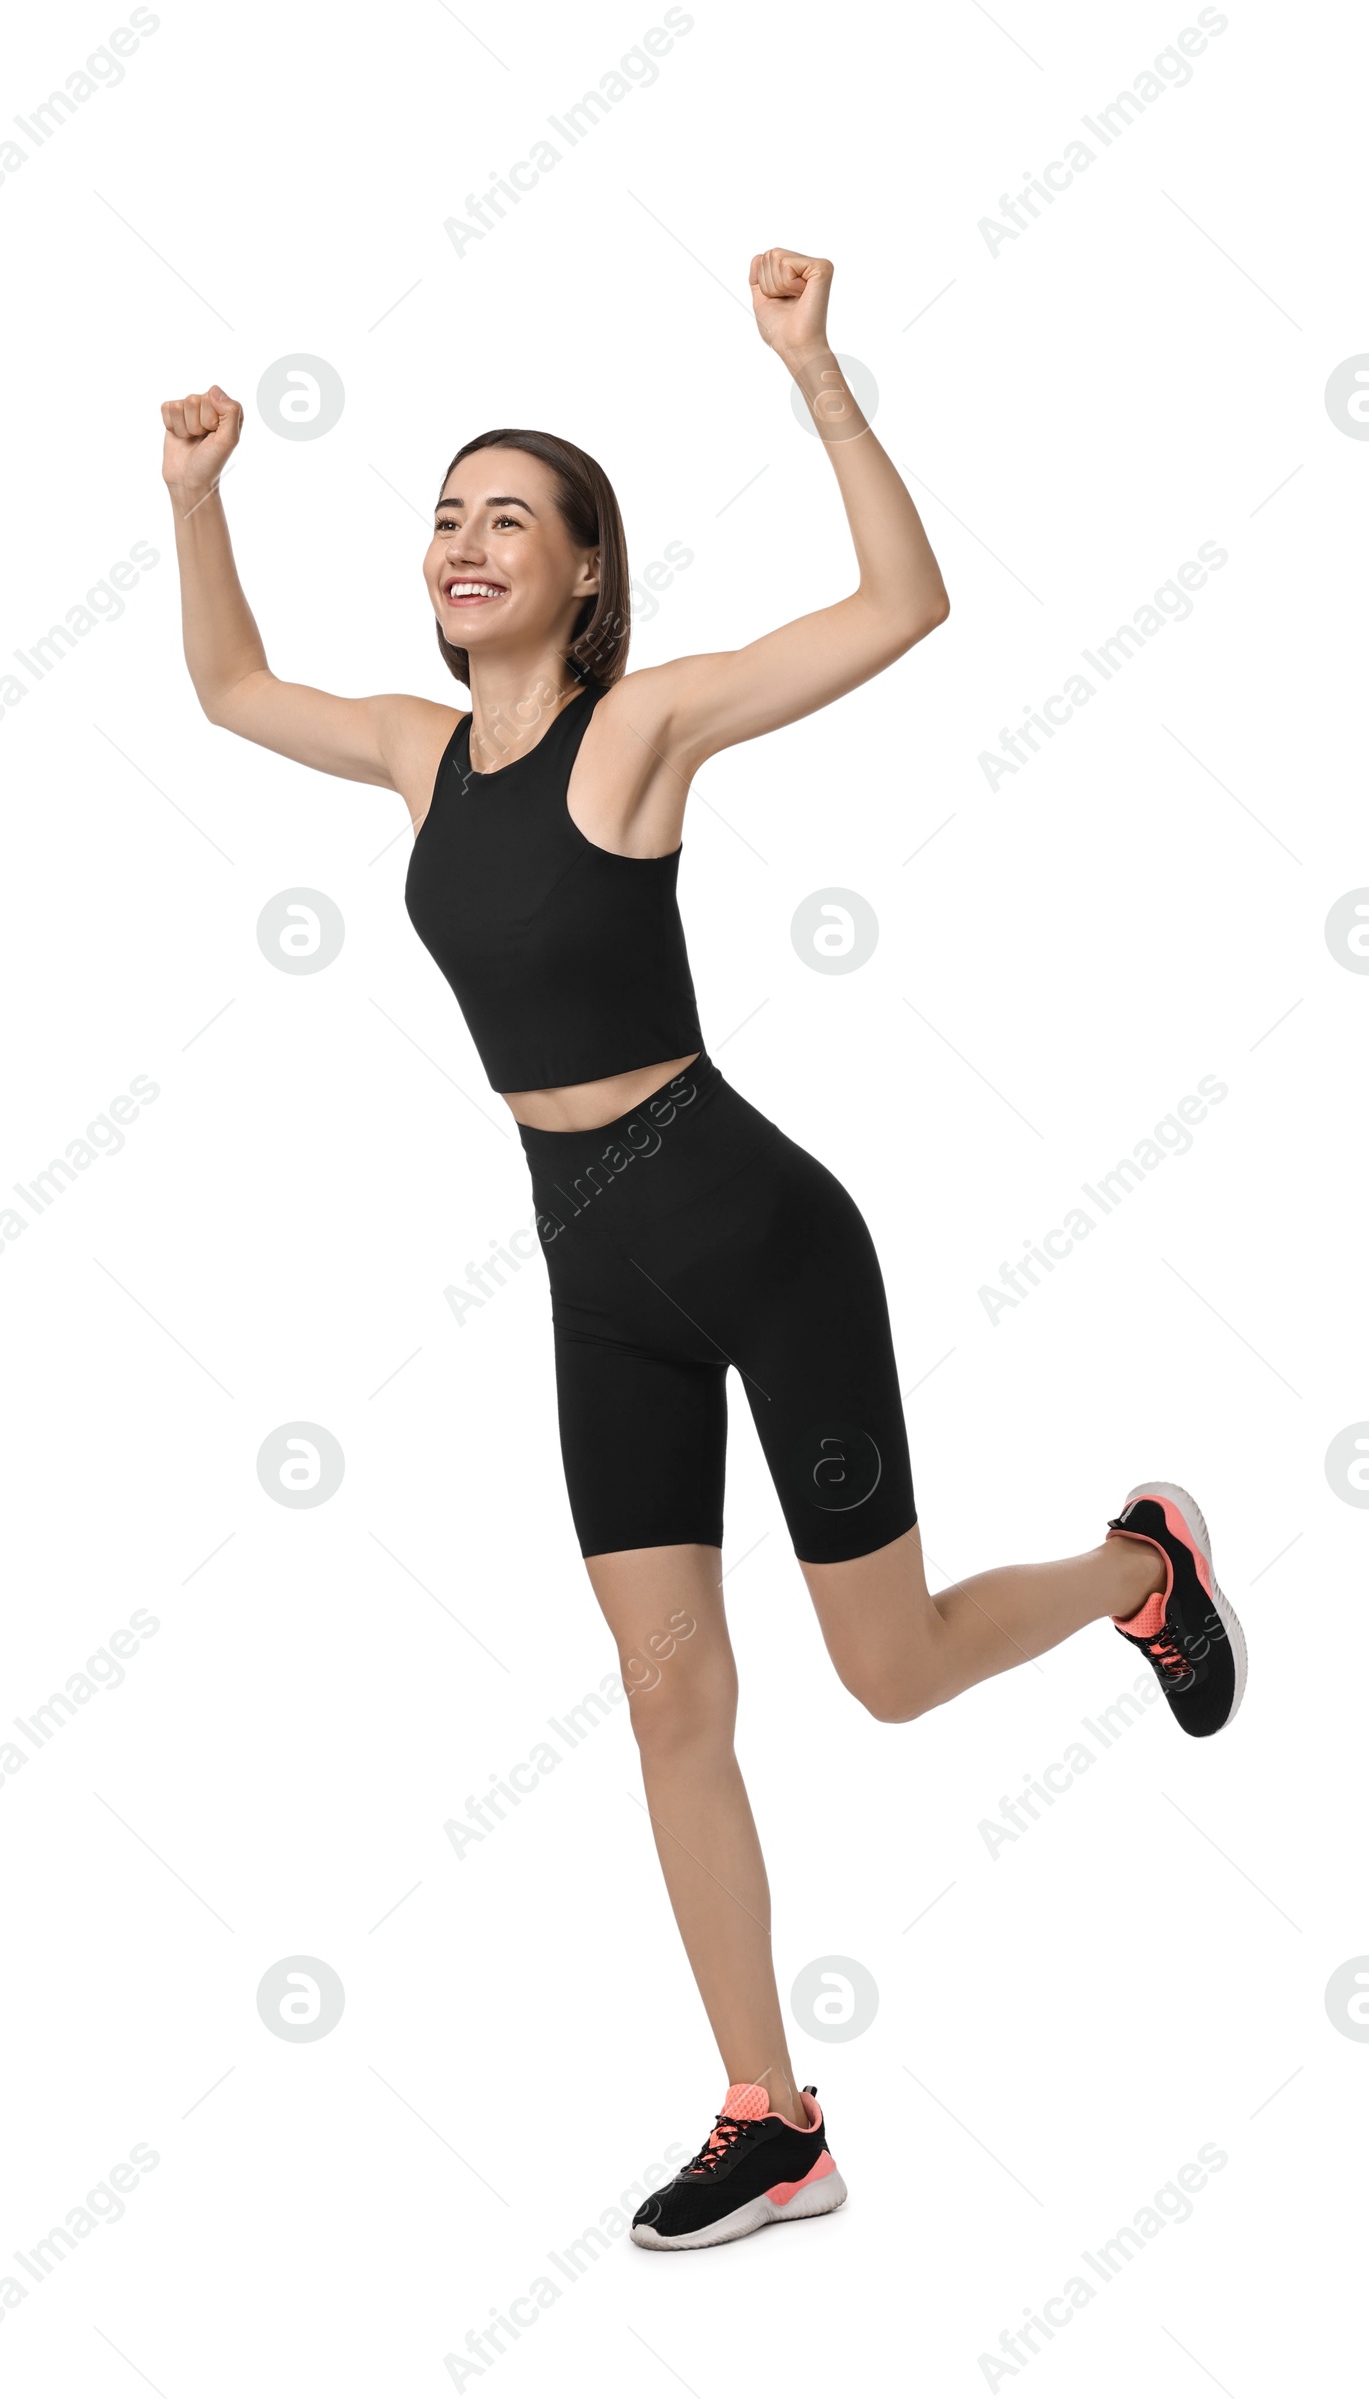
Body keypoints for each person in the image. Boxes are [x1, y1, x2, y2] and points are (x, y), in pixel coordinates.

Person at [159, 247, 1246, 2253]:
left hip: (758, 1238)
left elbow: (901, 609)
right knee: (668, 1701)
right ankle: (770, 2114)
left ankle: (1135, 1566)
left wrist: (816, 378)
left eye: (511, 517)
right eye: (443, 515)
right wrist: (196, 495)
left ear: (585, 573)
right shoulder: (418, 753)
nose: (464, 540)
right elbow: (227, 688)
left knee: (888, 1676)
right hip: (591, 1280)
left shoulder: (632, 729)